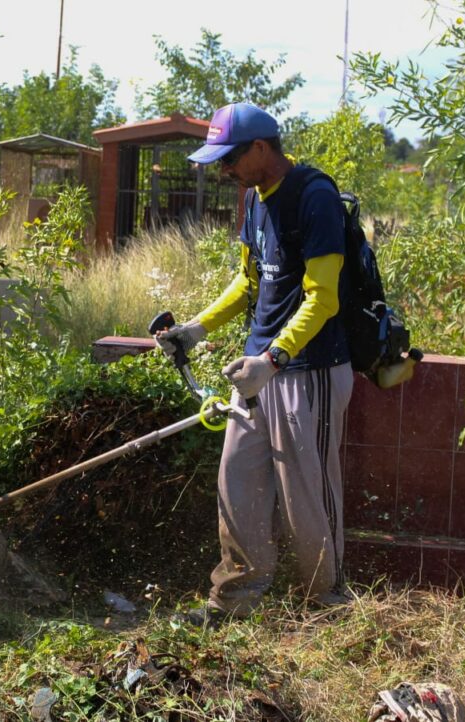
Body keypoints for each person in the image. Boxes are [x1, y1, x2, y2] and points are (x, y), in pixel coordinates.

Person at [156, 102, 353, 625]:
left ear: (261, 148)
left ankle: (325, 606)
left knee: (306, 496)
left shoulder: (314, 196)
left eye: (230, 158)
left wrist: (274, 358)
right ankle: (233, 602)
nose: (224, 169)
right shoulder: (255, 199)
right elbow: (249, 282)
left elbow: (323, 297)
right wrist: (195, 329)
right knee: (237, 483)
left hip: (307, 369)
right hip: (258, 372)